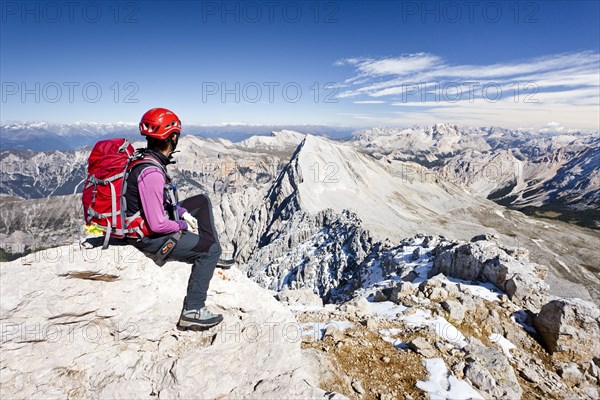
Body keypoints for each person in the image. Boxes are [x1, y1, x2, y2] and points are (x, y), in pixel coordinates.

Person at [125, 107, 224, 330]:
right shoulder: (151, 172)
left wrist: (181, 211)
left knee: (200, 201)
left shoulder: (146, 157)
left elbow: (158, 202)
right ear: (173, 137)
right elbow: (157, 224)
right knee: (210, 251)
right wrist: (181, 225)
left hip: (145, 222)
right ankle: (193, 310)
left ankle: (212, 247)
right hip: (148, 238)